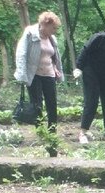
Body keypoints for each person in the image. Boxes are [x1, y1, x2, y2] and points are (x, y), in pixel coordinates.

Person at [14, 11, 64, 143]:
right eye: (53, 28)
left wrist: (56, 68)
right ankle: (40, 130)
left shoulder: (52, 39)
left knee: (52, 103)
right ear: (44, 24)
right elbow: (21, 54)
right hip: (34, 74)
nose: (55, 31)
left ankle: (52, 130)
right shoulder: (30, 34)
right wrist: (22, 74)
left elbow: (53, 56)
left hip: (49, 74)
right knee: (37, 104)